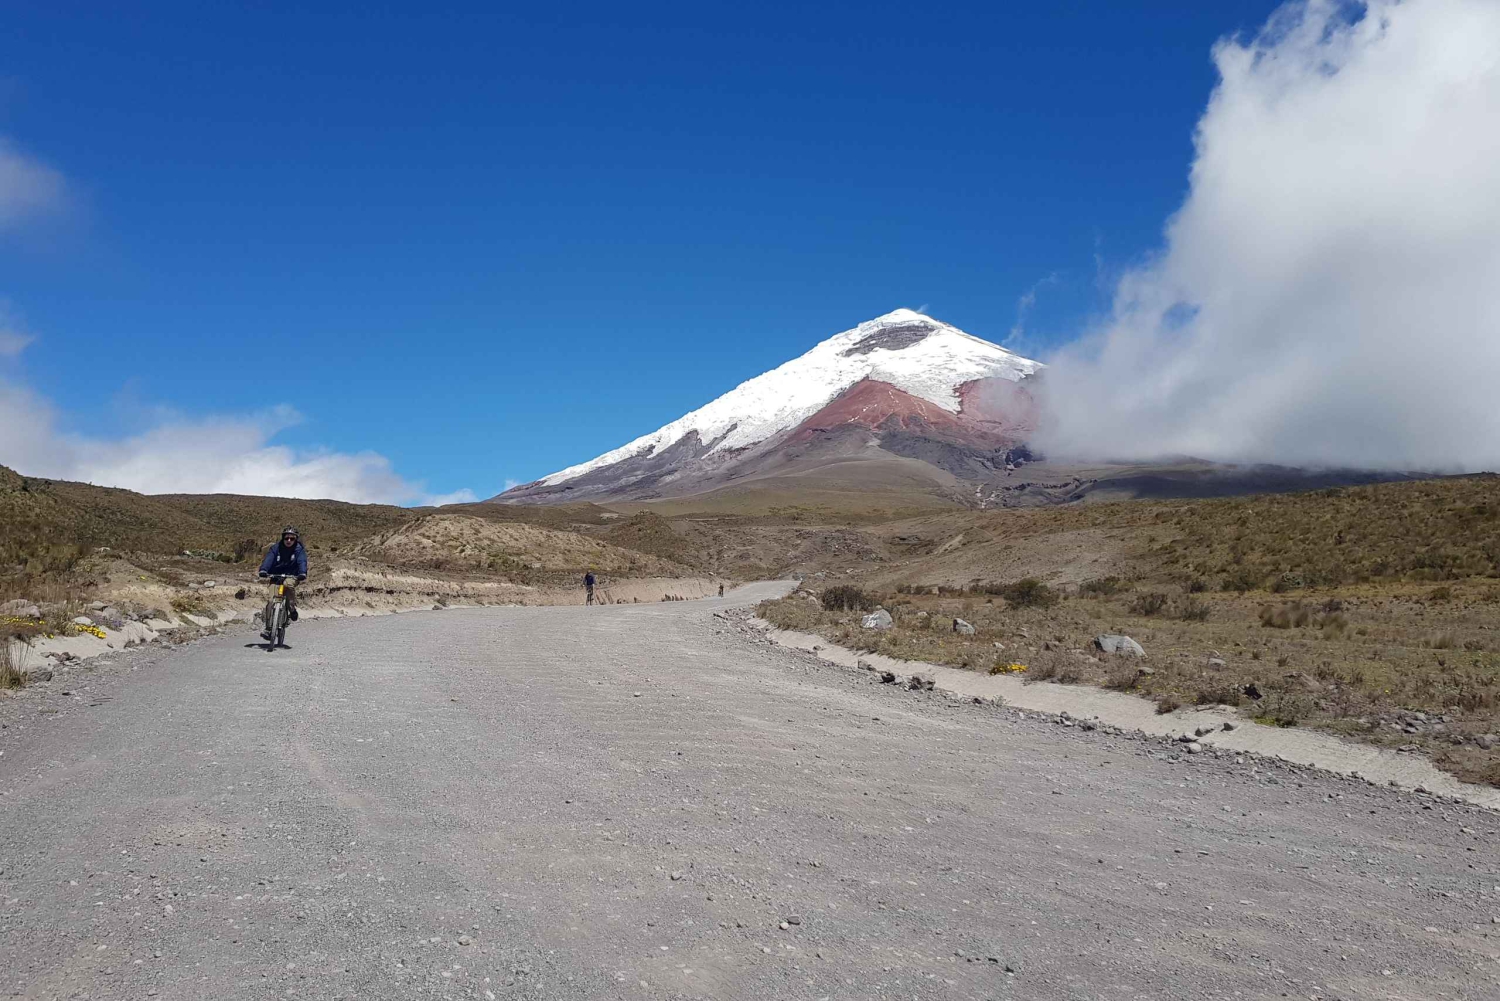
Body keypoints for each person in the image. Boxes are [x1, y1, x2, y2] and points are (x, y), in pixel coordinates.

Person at [259, 527, 308, 635]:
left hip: (292, 576)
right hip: (275, 576)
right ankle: (268, 628)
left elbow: (302, 562)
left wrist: (302, 573)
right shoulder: (275, 548)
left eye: (292, 538)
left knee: (287, 584)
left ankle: (291, 608)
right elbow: (269, 559)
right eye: (286, 538)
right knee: (271, 601)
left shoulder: (299, 550)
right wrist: (263, 570)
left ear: (296, 539)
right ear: (283, 538)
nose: (289, 540)